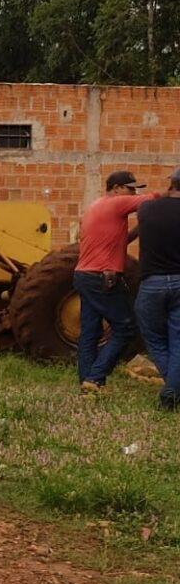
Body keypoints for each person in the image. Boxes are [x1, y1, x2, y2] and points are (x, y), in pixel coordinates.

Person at [73, 171, 155, 393]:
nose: (133, 193)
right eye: (130, 188)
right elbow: (153, 199)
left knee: (90, 332)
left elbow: (121, 240)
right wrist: (172, 192)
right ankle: (96, 376)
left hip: (84, 275)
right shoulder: (115, 204)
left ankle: (88, 383)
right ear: (117, 188)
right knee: (126, 327)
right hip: (102, 278)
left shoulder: (95, 207)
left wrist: (141, 228)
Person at [136, 169, 180, 410]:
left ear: (172, 184)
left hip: (152, 283)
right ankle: (172, 390)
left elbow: (152, 202)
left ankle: (171, 390)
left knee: (154, 337)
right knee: (178, 341)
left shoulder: (147, 209)